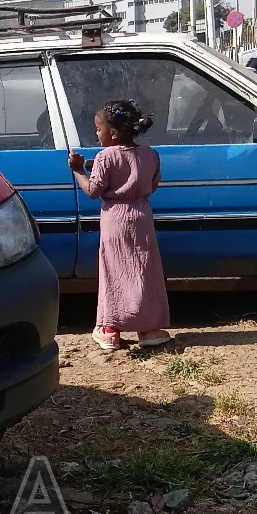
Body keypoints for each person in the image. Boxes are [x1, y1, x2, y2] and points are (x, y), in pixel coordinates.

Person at [68, 99, 170, 351]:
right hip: (142, 216)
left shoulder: (105, 157)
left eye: (98, 129)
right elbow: (153, 184)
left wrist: (78, 170)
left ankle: (110, 330)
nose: (96, 133)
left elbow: (93, 191)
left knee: (114, 271)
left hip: (116, 219)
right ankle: (149, 329)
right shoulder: (150, 154)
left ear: (112, 134)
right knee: (144, 270)